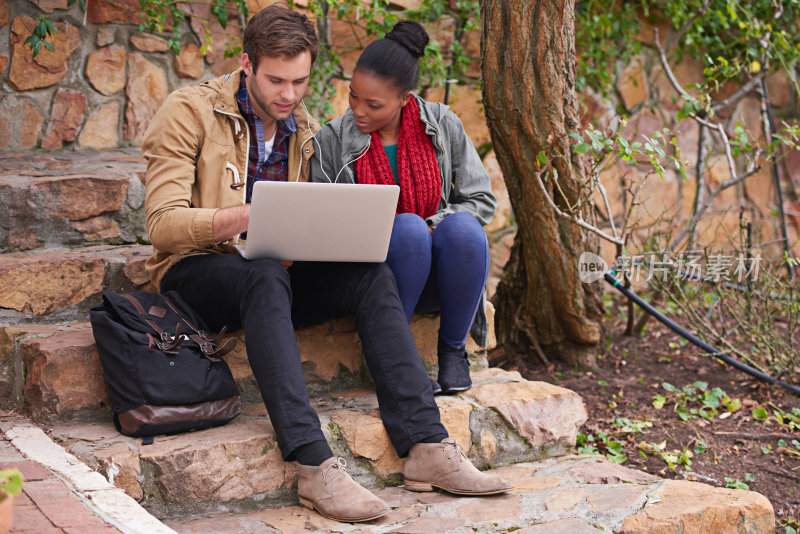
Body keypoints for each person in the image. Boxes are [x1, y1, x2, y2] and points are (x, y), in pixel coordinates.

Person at [141, 4, 510, 524]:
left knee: (367, 272)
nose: (288, 95)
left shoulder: (304, 128)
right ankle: (314, 463)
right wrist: (247, 215)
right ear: (246, 64)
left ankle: (426, 446)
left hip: (273, 273)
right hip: (197, 271)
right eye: (275, 80)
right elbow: (162, 225)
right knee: (263, 272)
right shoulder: (189, 111)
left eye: (300, 81)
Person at [310, 20, 496, 396]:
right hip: (377, 281)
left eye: (373, 104)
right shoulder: (331, 140)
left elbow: (481, 200)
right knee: (408, 230)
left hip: (441, 277)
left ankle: (453, 351)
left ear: (404, 100)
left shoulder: (442, 125)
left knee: (462, 229)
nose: (359, 111)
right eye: (353, 96)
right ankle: (395, 359)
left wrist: (435, 226)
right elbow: (322, 222)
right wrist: (396, 231)